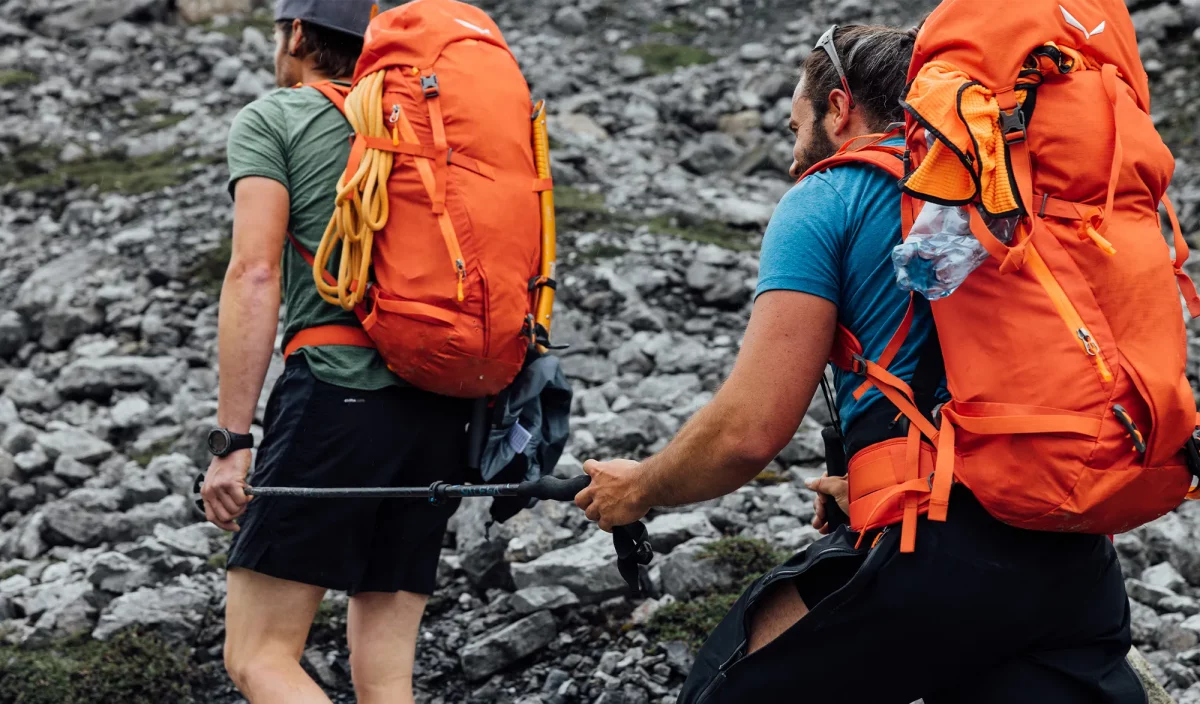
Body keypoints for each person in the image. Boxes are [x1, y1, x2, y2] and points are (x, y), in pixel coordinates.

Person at [576, 24, 1144, 704]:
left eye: (796, 128)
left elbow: (747, 434)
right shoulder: (1022, 186)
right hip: (1076, 557)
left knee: (721, 689)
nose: (794, 160)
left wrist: (637, 488)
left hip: (936, 560)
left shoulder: (829, 196)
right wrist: (870, 476)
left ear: (839, 108)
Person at [201, 2, 472, 702]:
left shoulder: (277, 117)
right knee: (386, 680)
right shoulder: (429, 120)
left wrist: (232, 440)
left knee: (259, 656)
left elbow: (254, 273)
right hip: (445, 408)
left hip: (337, 392)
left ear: (296, 33)